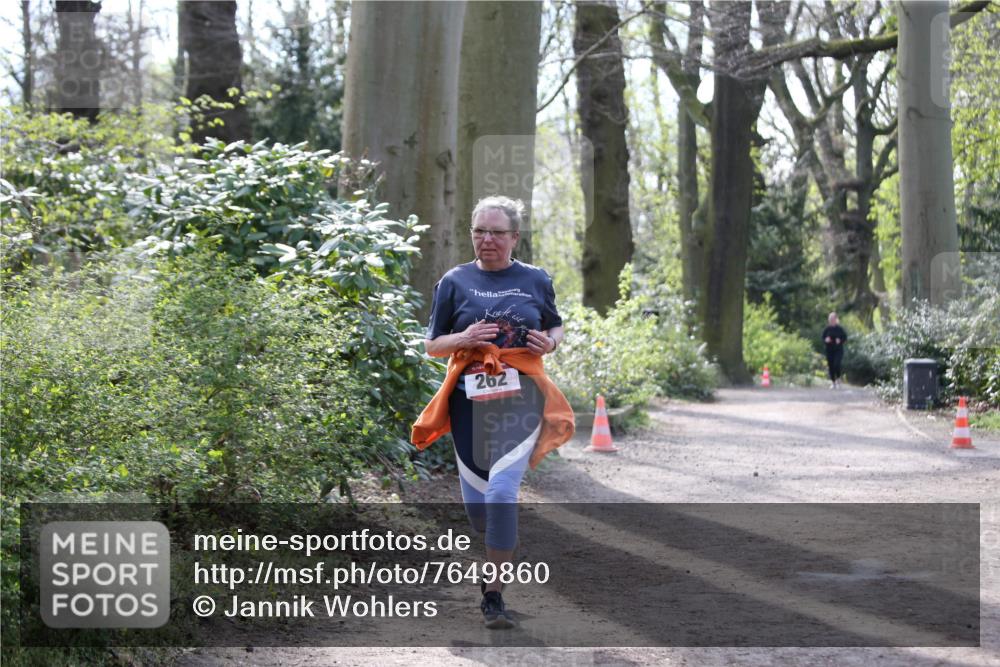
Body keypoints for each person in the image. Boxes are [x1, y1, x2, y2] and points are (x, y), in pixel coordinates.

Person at [411, 196, 575, 629]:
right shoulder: (453, 281)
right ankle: (496, 558)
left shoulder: (535, 280)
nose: (486, 239)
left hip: (522, 402)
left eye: (496, 232)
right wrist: (463, 336)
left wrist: (550, 342)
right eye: (479, 231)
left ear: (514, 237)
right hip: (469, 407)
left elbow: (554, 324)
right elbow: (432, 345)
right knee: (479, 511)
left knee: (502, 495)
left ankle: (493, 595)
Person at [821, 312, 848, 388]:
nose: (832, 320)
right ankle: (833, 382)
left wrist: (840, 341)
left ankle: (838, 378)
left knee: (837, 364)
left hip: (838, 350)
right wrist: (826, 340)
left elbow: (845, 338)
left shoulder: (840, 329)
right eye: (831, 319)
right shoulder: (826, 329)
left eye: (833, 319)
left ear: (836, 319)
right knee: (831, 366)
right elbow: (823, 338)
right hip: (829, 350)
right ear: (829, 320)